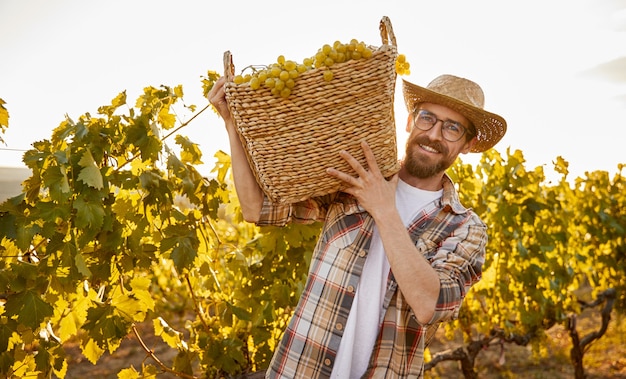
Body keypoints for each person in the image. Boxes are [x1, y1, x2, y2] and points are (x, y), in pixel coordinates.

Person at [208, 73, 507, 378]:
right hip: (299, 368)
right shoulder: (355, 179)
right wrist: (233, 125)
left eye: (452, 128)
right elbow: (256, 208)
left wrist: (384, 210)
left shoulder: (465, 228)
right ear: (409, 121)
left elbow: (428, 304)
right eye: (427, 118)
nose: (434, 134)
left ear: (468, 144)